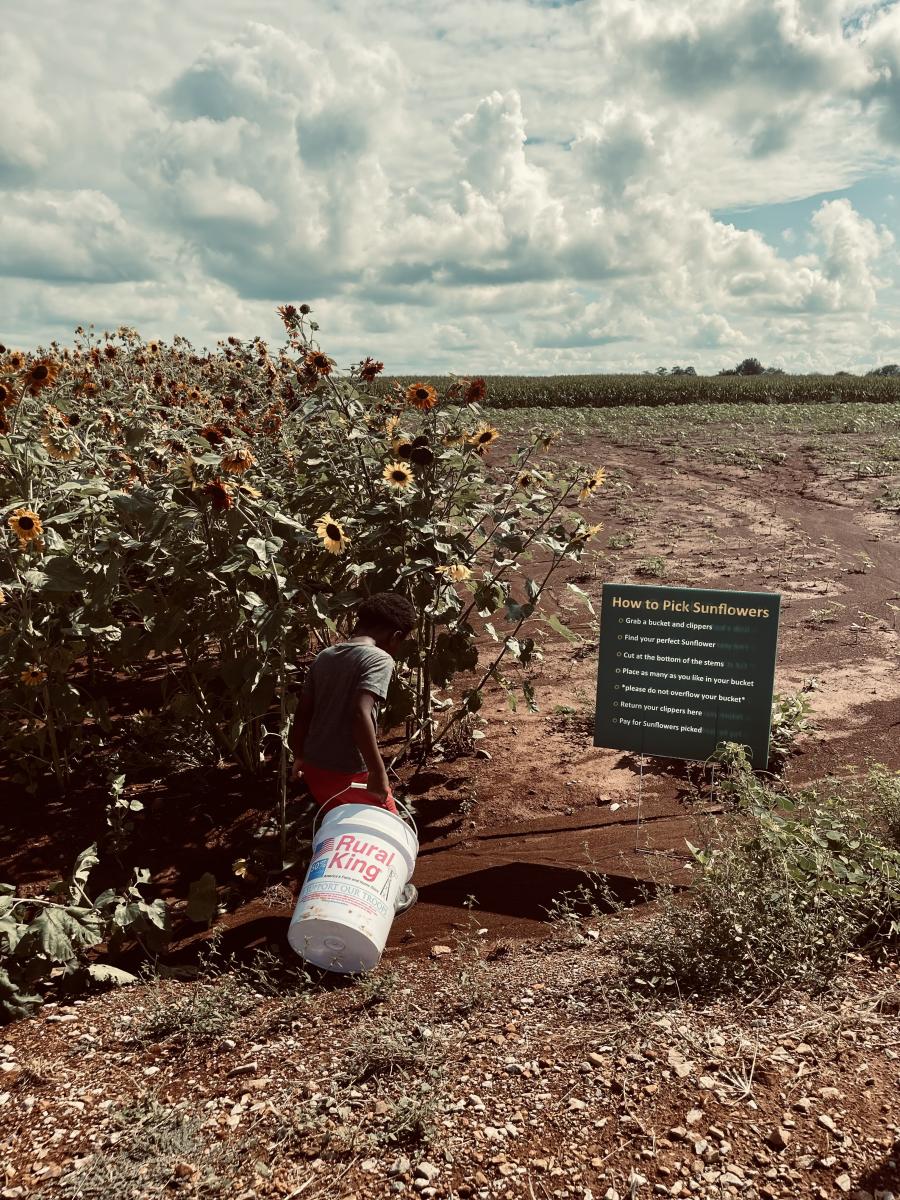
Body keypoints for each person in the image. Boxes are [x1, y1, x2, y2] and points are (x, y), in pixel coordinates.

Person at [290, 591, 418, 914]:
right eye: (400, 644)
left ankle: (322, 889)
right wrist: (378, 775)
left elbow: (302, 713)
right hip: (351, 772)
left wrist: (299, 755)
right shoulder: (379, 659)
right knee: (390, 835)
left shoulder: (326, 657)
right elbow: (360, 715)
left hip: (317, 770)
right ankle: (382, 898)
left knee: (345, 830)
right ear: (395, 636)